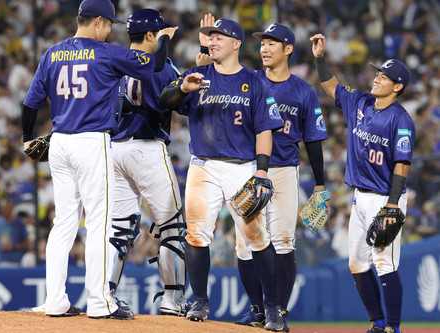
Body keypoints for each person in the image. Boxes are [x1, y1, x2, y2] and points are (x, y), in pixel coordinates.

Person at [22, 0, 175, 320]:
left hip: (60, 143)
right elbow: (154, 66)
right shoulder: (105, 52)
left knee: (63, 223)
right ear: (99, 22)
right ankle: (100, 301)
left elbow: (31, 102)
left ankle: (56, 301)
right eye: (109, 25)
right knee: (98, 223)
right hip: (91, 142)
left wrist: (26, 138)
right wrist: (163, 39)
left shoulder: (52, 52)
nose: (110, 31)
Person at [159, 18, 285, 331]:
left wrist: (262, 171)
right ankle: (199, 300)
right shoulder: (197, 76)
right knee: (196, 235)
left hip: (243, 168)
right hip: (204, 164)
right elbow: (166, 102)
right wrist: (179, 87)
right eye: (209, 37)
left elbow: (265, 130)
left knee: (257, 239)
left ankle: (273, 310)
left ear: (236, 43)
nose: (212, 42)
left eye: (219, 37)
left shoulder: (255, 82)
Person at [311, 33, 415, 333]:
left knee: (385, 264)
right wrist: (319, 58)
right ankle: (377, 323)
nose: (377, 79)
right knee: (357, 264)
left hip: (386, 198)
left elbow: (402, 164)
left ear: (398, 87)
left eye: (385, 77)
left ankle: (393, 328)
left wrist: (393, 204)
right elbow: (331, 87)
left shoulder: (401, 120)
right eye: (378, 73)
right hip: (359, 195)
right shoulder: (360, 102)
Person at [234, 23, 329, 332]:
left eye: (272, 43)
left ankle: (279, 313)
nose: (264, 47)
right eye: (263, 42)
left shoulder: (303, 91)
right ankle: (257, 310)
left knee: (284, 242)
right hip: (248, 168)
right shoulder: (248, 80)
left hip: (285, 170)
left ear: (288, 49)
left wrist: (319, 184)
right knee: (245, 244)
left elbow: (313, 140)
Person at [108, 8, 187, 316]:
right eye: (160, 34)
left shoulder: (114, 60)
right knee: (172, 227)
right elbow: (187, 103)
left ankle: (106, 296)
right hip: (147, 148)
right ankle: (172, 301)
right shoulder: (162, 66)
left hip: (115, 150)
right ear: (152, 36)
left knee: (119, 230)